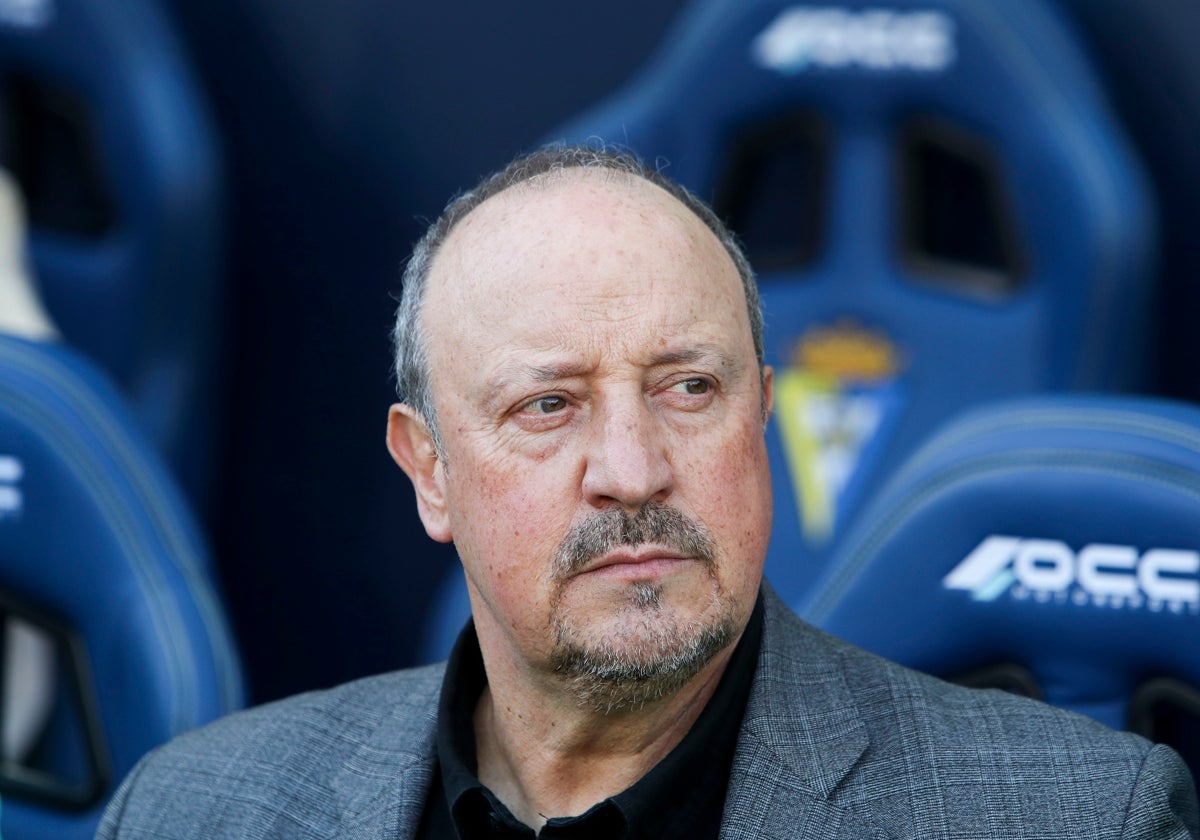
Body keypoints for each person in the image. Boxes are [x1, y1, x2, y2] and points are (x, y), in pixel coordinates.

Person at [97, 145, 1198, 839]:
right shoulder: (193, 810)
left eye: (686, 387)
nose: (631, 469)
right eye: (548, 406)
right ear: (428, 470)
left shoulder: (1082, 818)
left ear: (759, 417)